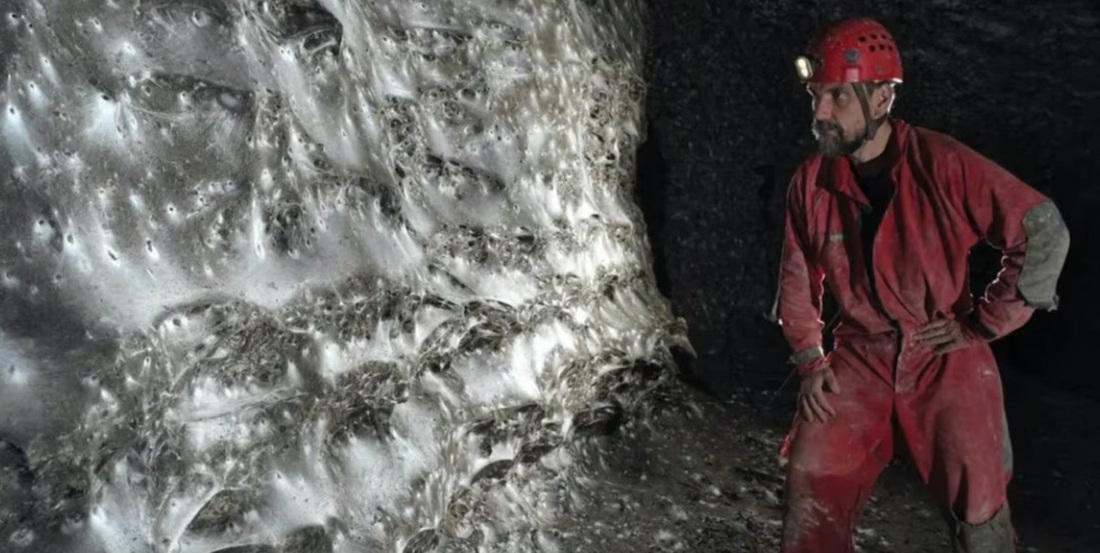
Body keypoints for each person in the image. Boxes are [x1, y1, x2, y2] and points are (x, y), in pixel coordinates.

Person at [770, 16, 1071, 553]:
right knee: (812, 475)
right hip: (858, 354)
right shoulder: (812, 182)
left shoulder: (943, 164)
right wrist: (810, 361)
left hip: (941, 351)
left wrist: (984, 322)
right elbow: (797, 279)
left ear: (882, 98)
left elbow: (1041, 229)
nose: (819, 112)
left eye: (837, 96)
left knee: (980, 511)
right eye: (817, 96)